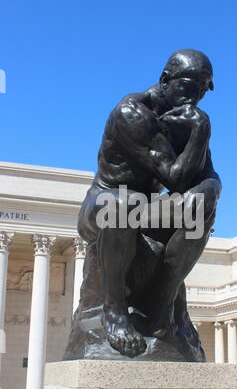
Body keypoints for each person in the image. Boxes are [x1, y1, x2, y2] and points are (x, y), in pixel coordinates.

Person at [65, 49, 222, 361]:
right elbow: (175, 176)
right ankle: (114, 312)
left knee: (202, 210)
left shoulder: (185, 119)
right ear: (165, 80)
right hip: (105, 202)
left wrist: (209, 191)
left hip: (147, 210)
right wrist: (201, 130)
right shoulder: (132, 113)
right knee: (125, 203)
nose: (196, 98)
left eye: (203, 90)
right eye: (190, 86)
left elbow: (209, 176)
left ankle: (160, 307)